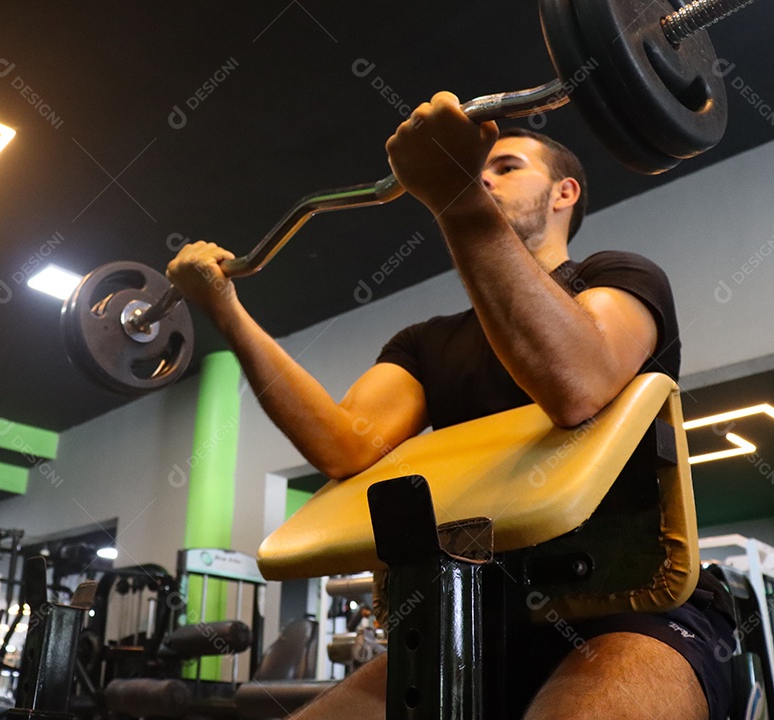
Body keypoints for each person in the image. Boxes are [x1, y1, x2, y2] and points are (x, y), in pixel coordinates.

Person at [167, 92, 734, 720]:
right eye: (478, 167)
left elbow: (579, 383)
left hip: (631, 608)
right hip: (470, 619)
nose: (486, 174)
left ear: (564, 194)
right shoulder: (425, 343)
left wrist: (458, 197)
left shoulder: (618, 277)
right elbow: (343, 445)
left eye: (507, 166)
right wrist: (225, 309)